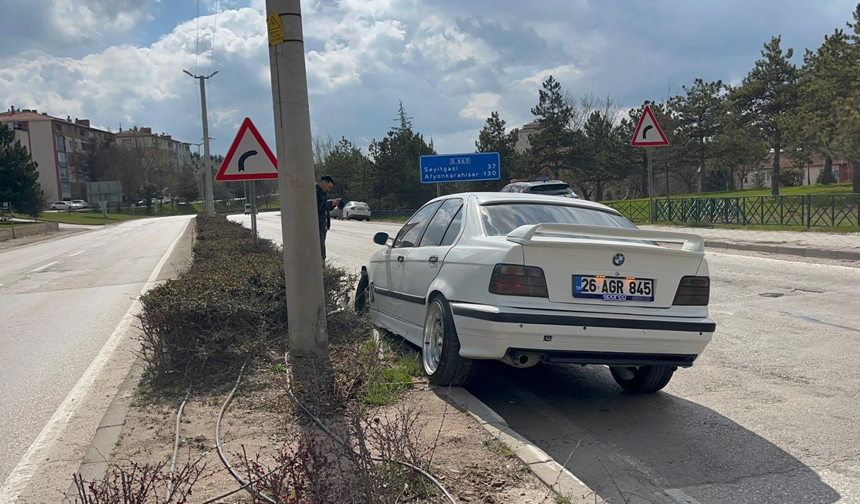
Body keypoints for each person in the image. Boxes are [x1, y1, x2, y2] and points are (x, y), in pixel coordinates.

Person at [316, 175, 340, 261]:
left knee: (322, 245)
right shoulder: (315, 192)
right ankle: (321, 266)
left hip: (322, 224)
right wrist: (330, 203)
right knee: (319, 247)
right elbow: (316, 207)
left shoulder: (323, 193)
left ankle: (322, 264)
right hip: (317, 225)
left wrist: (332, 204)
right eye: (329, 187)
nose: (329, 190)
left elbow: (324, 208)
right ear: (323, 183)